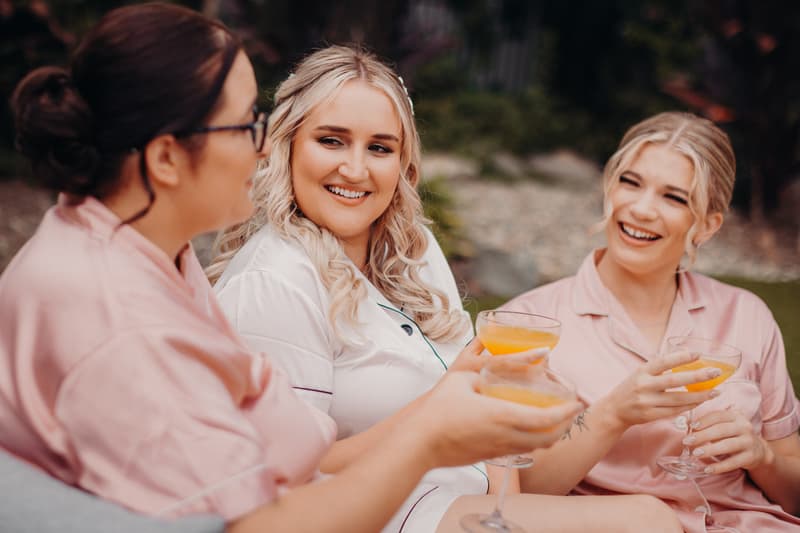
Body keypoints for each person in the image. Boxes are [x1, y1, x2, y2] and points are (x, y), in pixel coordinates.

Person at [0, 4, 588, 533]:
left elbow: (273, 440)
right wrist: (433, 435)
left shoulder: (149, 252)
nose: (265, 146)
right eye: (246, 124)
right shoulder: (116, 315)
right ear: (166, 157)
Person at [208, 45, 685, 532]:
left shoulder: (414, 250)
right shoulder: (274, 282)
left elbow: (486, 392)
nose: (355, 169)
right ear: (288, 144)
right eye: (331, 141)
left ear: (403, 161)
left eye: (379, 147)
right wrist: (435, 410)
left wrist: (508, 505)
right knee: (646, 523)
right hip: (385, 516)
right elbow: (286, 481)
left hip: (467, 503)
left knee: (654, 517)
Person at [503, 111, 800, 532]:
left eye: (674, 198)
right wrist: (613, 415)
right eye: (631, 182)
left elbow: (794, 495)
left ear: (707, 226)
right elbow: (517, 500)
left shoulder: (746, 316)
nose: (641, 209)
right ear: (610, 187)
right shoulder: (533, 323)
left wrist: (761, 456)